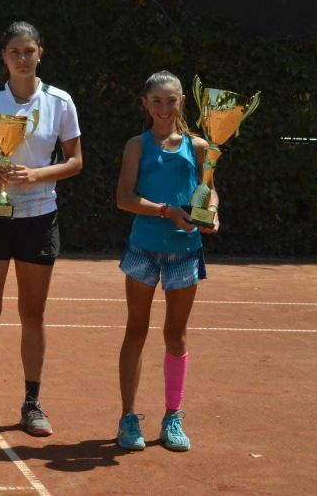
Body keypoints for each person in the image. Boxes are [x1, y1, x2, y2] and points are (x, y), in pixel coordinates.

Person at [0, 21, 82, 437]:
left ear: (40, 53)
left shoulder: (60, 102)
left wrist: (38, 175)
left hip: (39, 217)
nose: (22, 58)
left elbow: (75, 161)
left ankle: (32, 403)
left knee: (32, 314)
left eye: (29, 51)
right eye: (15, 51)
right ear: (4, 57)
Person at [113, 70, 219, 452]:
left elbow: (210, 191)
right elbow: (124, 198)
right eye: (156, 100)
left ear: (181, 103)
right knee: (136, 330)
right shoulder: (136, 146)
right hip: (143, 249)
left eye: (170, 100)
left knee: (176, 334)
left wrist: (213, 213)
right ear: (145, 104)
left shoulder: (200, 146)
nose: (163, 108)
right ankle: (128, 418)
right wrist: (165, 211)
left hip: (185, 252)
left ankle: (173, 417)